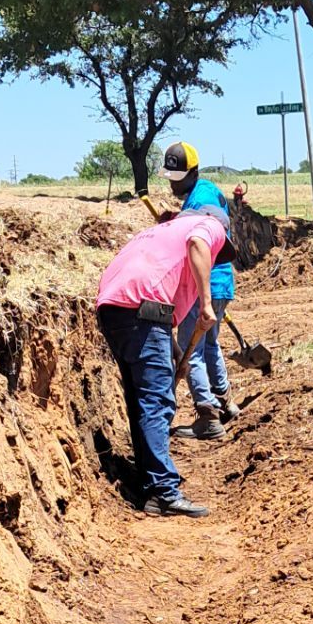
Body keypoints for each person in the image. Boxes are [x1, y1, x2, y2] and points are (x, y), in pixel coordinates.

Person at [94, 206, 234, 517]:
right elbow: (199, 242)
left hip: (115, 309)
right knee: (157, 401)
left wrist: (174, 352)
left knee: (140, 397)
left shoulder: (160, 233)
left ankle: (150, 482)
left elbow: (156, 299)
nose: (214, 257)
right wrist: (207, 304)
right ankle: (163, 492)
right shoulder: (206, 226)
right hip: (142, 310)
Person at [161, 141, 246, 441]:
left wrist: (173, 225)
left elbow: (201, 234)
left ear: (192, 172)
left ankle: (207, 415)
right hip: (221, 282)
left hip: (205, 282)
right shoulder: (203, 192)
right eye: (170, 177)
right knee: (210, 344)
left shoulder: (202, 198)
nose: (172, 184)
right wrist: (173, 221)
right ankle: (225, 401)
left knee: (189, 349)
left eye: (178, 177)